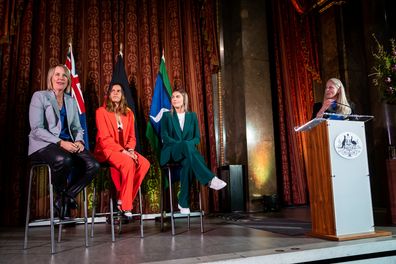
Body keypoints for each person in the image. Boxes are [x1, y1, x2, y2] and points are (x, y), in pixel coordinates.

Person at [28, 64, 100, 217]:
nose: (61, 78)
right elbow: (37, 129)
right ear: (51, 78)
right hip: (43, 145)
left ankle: (65, 198)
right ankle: (62, 200)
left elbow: (77, 127)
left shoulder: (71, 101)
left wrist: (79, 141)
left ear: (68, 80)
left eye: (64, 75)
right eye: (57, 74)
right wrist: (61, 143)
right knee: (65, 159)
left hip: (69, 143)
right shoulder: (40, 96)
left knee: (93, 165)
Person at [160, 89, 227, 214]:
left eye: (177, 96)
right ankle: (210, 179)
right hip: (171, 152)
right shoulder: (166, 116)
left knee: (188, 164)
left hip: (187, 154)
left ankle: (183, 202)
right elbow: (165, 136)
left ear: (184, 99)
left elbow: (196, 138)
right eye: (173, 97)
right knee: (186, 145)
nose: (174, 99)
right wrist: (181, 144)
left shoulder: (192, 116)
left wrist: (186, 145)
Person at [94, 83, 150, 217]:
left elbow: (132, 137)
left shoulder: (129, 113)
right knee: (128, 162)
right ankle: (126, 206)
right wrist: (123, 151)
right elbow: (104, 138)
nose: (115, 93)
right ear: (108, 94)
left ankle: (124, 198)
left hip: (125, 150)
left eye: (118, 91)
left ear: (122, 95)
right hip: (107, 149)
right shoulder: (101, 112)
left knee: (144, 163)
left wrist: (130, 150)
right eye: (112, 90)